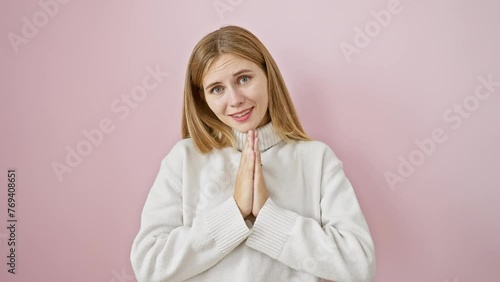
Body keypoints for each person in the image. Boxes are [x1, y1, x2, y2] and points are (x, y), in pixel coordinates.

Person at [130, 25, 375, 282]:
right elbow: (150, 266)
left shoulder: (317, 160)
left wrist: (267, 216)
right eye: (217, 89)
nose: (235, 99)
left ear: (267, 76)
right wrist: (234, 211)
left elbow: (358, 266)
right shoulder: (184, 159)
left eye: (244, 79)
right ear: (202, 98)